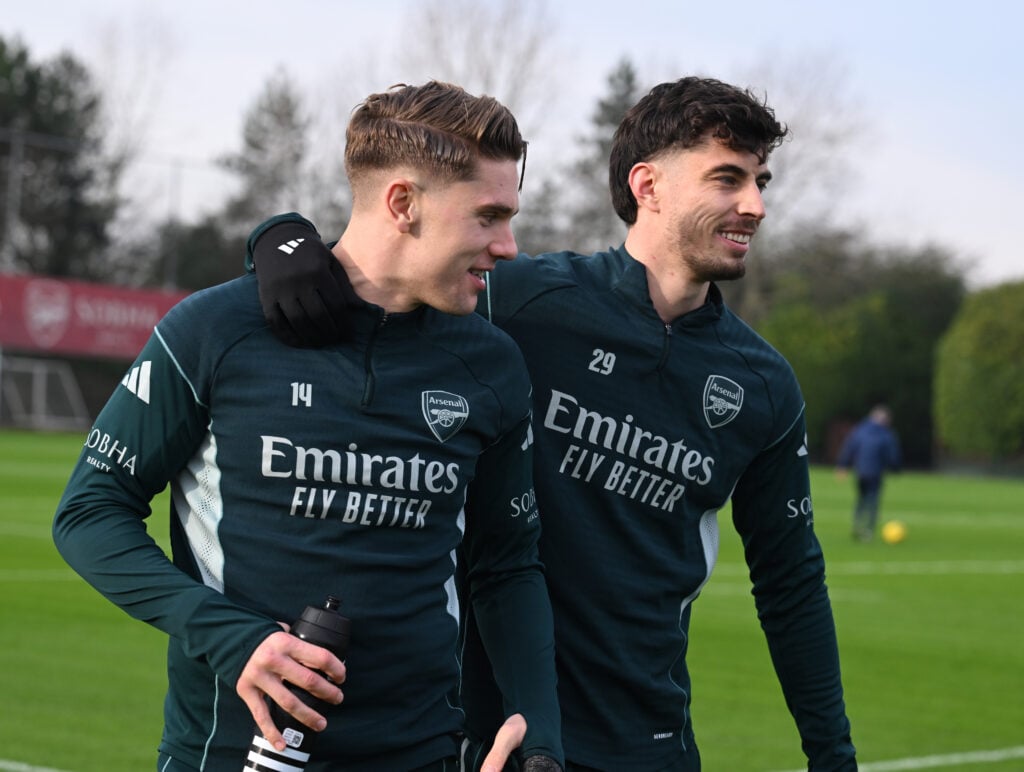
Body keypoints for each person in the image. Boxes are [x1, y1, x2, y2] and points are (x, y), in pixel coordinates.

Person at [249, 76, 857, 770]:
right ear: (648, 186)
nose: (755, 205)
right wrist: (281, 241)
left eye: (760, 181)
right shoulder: (517, 300)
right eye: (728, 179)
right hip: (491, 737)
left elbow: (792, 585)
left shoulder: (764, 385)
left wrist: (832, 756)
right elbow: (386, 263)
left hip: (648, 743)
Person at [52, 81, 563, 772]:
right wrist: (233, 638)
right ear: (403, 203)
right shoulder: (217, 329)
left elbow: (507, 567)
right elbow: (88, 512)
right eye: (488, 216)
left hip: (421, 757)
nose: (507, 246)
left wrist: (540, 746)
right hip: (234, 756)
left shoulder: (492, 364)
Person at [836, 404, 902, 541]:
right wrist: (895, 468)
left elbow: (849, 448)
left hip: (860, 471)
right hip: (875, 473)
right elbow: (891, 454)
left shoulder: (860, 430)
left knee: (861, 498)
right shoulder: (886, 434)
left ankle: (857, 524)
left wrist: (843, 465)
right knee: (873, 501)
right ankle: (868, 530)